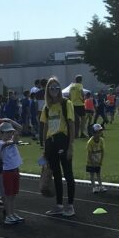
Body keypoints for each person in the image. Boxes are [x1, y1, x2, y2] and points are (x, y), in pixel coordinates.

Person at [40, 77, 76, 217]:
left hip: (63, 140)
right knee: (56, 174)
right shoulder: (46, 107)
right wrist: (44, 147)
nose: (54, 90)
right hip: (51, 143)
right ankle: (59, 205)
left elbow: (71, 125)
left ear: (60, 89)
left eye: (56, 87)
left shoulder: (66, 103)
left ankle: (70, 205)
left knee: (68, 174)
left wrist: (70, 146)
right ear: (47, 90)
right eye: (51, 88)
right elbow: (45, 127)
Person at [0, 122, 24, 225]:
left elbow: (20, 127)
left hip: (15, 170)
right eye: (7, 132)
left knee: (13, 194)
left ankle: (12, 213)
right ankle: (8, 216)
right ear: (1, 133)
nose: (9, 134)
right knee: (8, 195)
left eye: (10, 132)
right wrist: (14, 139)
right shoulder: (0, 143)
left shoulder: (12, 141)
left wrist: (10, 121)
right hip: (8, 172)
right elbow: (9, 143)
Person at [86, 124, 106, 193]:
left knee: (98, 173)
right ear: (93, 133)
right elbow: (89, 153)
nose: (99, 134)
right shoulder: (90, 142)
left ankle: (100, 186)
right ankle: (94, 187)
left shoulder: (101, 140)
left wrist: (101, 160)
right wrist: (92, 162)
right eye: (98, 132)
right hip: (91, 162)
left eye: (100, 132)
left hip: (98, 161)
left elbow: (102, 151)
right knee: (92, 174)